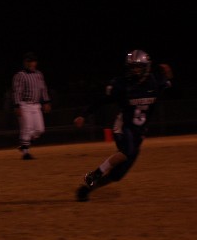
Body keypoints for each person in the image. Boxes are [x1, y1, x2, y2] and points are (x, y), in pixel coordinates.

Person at [73, 50, 173, 202]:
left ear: (146, 67)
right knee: (127, 151)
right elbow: (102, 101)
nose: (135, 71)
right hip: (123, 127)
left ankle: (87, 189)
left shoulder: (155, 83)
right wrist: (84, 115)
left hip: (139, 132)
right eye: (132, 67)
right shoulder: (122, 85)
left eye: (138, 67)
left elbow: (170, 88)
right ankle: (95, 174)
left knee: (117, 175)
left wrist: (168, 76)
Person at [12, 52, 51, 160]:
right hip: (25, 104)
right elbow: (17, 91)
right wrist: (17, 106)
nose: (31, 63)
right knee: (27, 128)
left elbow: (43, 89)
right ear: (25, 63)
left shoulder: (39, 74)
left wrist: (46, 102)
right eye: (29, 61)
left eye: (33, 61)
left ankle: (24, 144)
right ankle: (25, 152)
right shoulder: (20, 75)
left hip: (36, 105)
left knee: (39, 129)